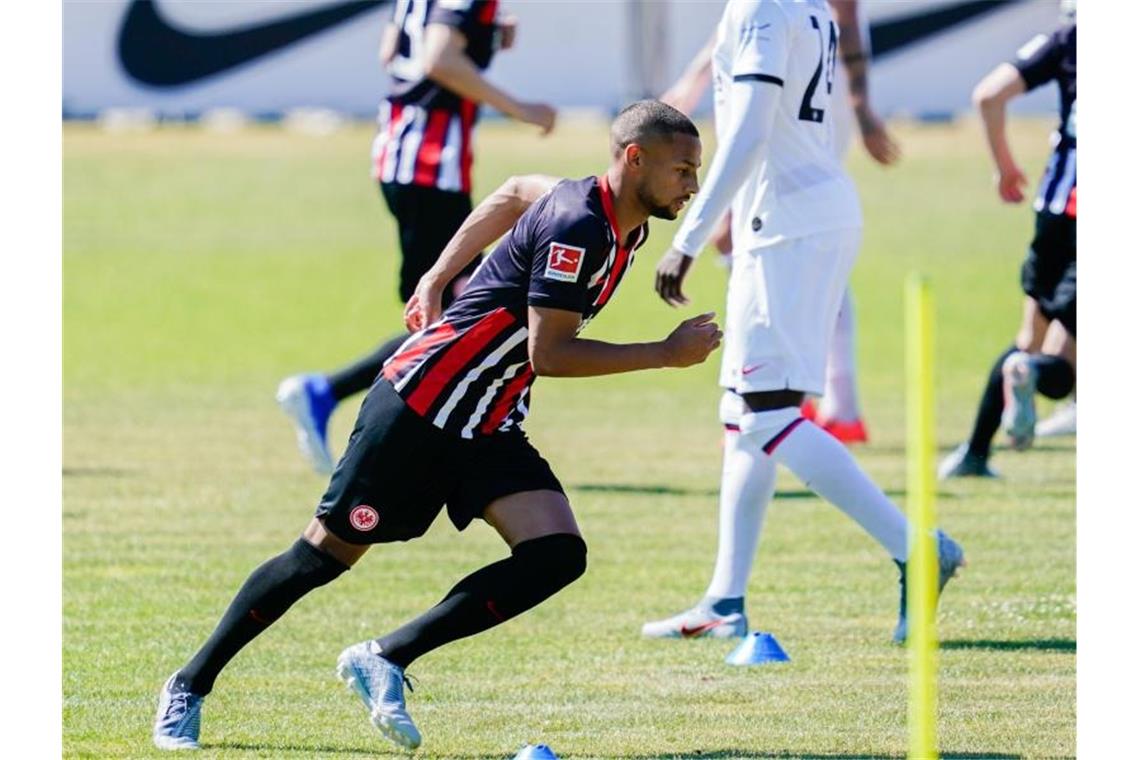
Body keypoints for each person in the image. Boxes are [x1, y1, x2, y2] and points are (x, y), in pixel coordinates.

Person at [153, 101, 718, 752]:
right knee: (321, 557)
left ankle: (384, 657)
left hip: (487, 419)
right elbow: (550, 355)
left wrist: (438, 273)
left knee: (556, 554)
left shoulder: (618, 220)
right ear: (634, 159)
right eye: (682, 170)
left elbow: (511, 193)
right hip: (419, 409)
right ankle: (189, 684)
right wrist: (663, 353)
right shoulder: (577, 227)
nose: (692, 185)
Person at [641, 0, 963, 643]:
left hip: (789, 224)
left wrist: (691, 236)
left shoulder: (763, 5)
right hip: (801, 211)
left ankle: (916, 550)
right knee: (743, 416)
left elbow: (753, 130)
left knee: (765, 414)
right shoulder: (806, 4)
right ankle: (725, 602)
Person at [277, 0, 557, 474]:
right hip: (429, 165)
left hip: (404, 157)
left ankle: (378, 418)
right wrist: (519, 107)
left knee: (456, 314)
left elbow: (394, 49)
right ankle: (333, 399)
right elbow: (438, 58)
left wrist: (485, 37)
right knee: (463, 315)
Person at [657, 0, 899, 445]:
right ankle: (805, 393)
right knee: (758, 240)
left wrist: (863, 108)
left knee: (755, 413)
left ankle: (827, 400)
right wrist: (695, 77)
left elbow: (840, 20)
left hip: (797, 128)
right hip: (797, 124)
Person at [938, 14, 1076, 479]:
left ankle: (974, 454)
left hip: (1056, 205)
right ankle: (1034, 374)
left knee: (1027, 337)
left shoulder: (1067, 38)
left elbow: (988, 96)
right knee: (1062, 365)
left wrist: (1004, 167)